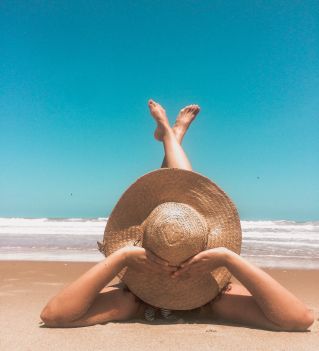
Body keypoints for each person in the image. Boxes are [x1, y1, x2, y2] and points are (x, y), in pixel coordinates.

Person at [40, 100, 314, 331]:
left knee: (178, 204)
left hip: (173, 273)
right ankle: (173, 138)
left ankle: (172, 138)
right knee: (177, 206)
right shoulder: (199, 299)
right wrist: (226, 259)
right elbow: (53, 316)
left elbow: (300, 319)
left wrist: (227, 258)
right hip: (179, 274)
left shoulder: (200, 298)